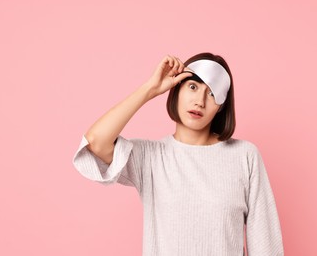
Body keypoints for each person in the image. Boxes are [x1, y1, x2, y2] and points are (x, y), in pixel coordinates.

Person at [72, 53, 284, 256]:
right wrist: (149, 89)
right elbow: (96, 143)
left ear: (220, 106)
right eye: (193, 87)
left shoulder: (245, 156)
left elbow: (265, 244)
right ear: (176, 89)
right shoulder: (151, 158)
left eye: (212, 93)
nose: (200, 101)